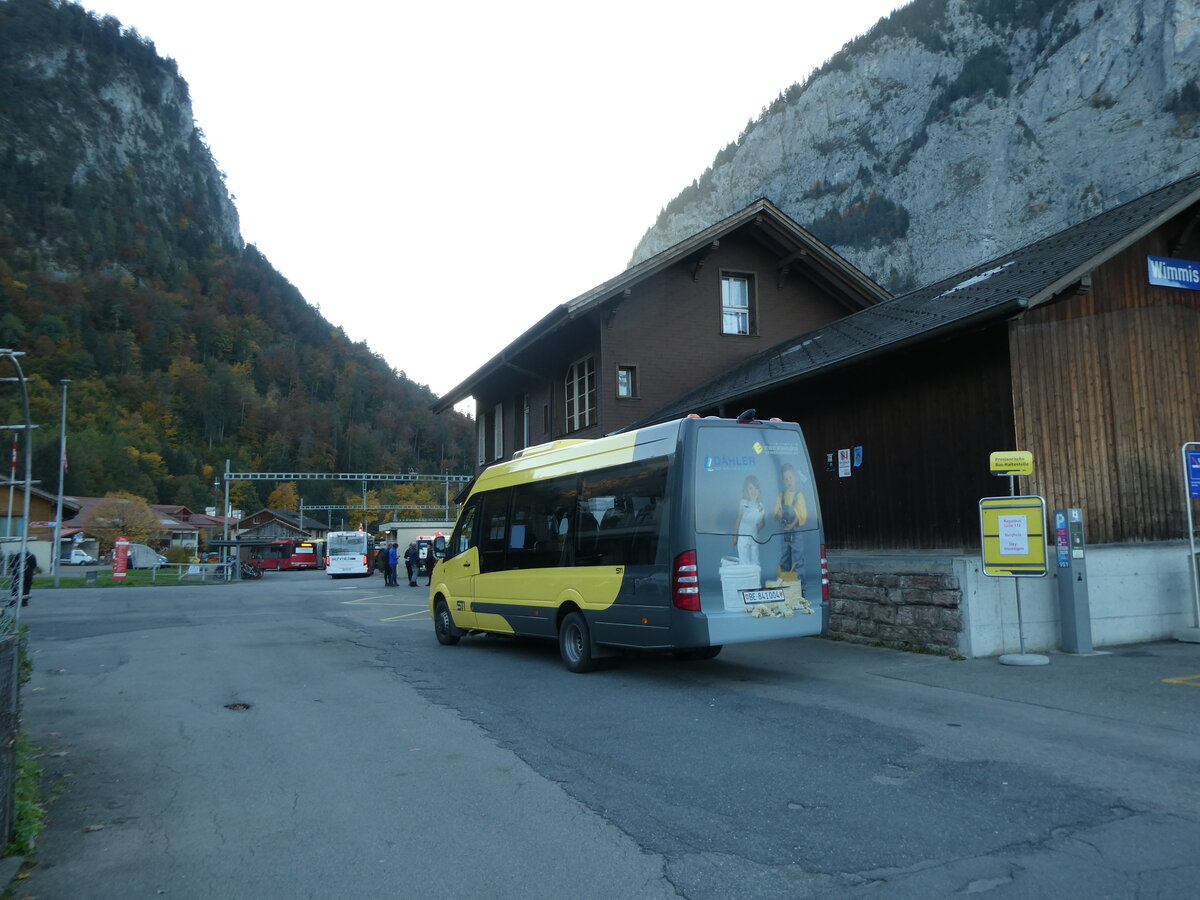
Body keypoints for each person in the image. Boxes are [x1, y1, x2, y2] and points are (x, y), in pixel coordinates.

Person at [773, 463, 808, 582]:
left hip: (795, 532)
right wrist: (779, 514)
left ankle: (800, 585)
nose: (789, 481)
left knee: (797, 558)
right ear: (783, 480)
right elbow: (776, 516)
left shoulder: (799, 496)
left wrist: (792, 525)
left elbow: (801, 515)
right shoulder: (781, 496)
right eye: (786, 479)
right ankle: (785, 582)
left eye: (790, 478)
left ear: (795, 478)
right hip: (784, 533)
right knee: (785, 557)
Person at [732, 474, 765, 566]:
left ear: (759, 490)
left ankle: (754, 578)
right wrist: (735, 536)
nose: (753, 491)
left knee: (755, 561)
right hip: (742, 537)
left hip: (754, 538)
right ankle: (746, 578)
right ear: (746, 490)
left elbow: (760, 524)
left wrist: (761, 522)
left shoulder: (760, 506)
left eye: (755, 488)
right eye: (750, 488)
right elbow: (738, 519)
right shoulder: (743, 503)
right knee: (744, 561)